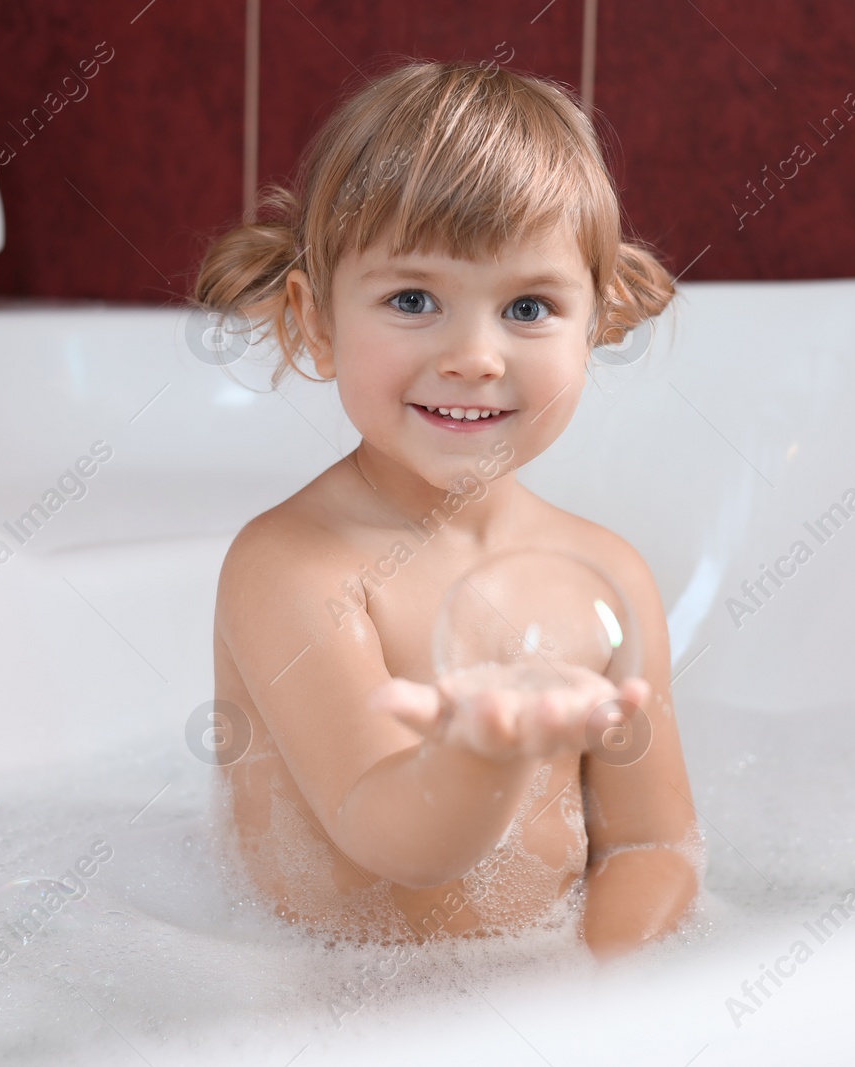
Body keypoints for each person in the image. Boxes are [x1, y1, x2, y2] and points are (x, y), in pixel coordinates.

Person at [195, 58, 700, 960]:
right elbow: (386, 833)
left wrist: (605, 989)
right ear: (316, 319)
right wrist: (486, 752)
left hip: (530, 990)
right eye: (414, 299)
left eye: (530, 306)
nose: (474, 355)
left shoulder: (608, 575)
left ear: (597, 321)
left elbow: (653, 843)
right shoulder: (295, 566)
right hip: (326, 1005)